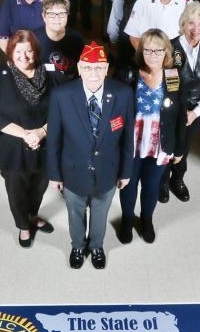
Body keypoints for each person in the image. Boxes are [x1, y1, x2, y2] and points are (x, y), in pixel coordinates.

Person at [47, 42, 135, 269]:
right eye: (87, 68)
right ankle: (77, 245)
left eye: (99, 68)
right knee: (75, 212)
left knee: (100, 212)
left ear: (107, 69)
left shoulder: (123, 94)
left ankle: (96, 246)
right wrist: (54, 174)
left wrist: (126, 172)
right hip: (73, 171)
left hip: (108, 170)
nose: (93, 73)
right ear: (79, 68)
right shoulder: (61, 95)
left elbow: (127, 138)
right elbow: (54, 138)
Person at [0, 29, 64, 248]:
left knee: (40, 184)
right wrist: (26, 134)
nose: (24, 57)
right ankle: (23, 225)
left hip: (45, 143)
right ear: (11, 52)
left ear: (36, 52)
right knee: (17, 189)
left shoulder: (51, 73)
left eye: (29, 51)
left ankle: (33, 215)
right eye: (19, 51)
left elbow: (63, 107)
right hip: (13, 146)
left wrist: (42, 132)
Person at [118, 29, 185, 244]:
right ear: (141, 51)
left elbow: (180, 115)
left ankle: (147, 219)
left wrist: (179, 149)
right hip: (133, 143)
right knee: (128, 184)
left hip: (160, 143)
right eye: (147, 50)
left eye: (158, 51)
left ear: (167, 52)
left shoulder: (173, 76)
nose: (152, 55)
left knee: (152, 185)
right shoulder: (130, 73)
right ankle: (127, 220)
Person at [160, 2, 200, 203]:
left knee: (184, 147)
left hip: (197, 110)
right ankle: (162, 181)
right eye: (191, 23)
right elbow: (168, 85)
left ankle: (177, 179)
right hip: (171, 108)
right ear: (183, 24)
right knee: (168, 145)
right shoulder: (170, 47)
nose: (196, 29)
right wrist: (178, 113)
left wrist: (195, 112)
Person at [33, 0, 85, 77]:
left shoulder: (77, 39)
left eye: (61, 14)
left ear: (67, 15)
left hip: (69, 88)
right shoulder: (34, 38)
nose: (57, 18)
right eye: (51, 14)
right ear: (44, 16)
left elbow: (81, 72)